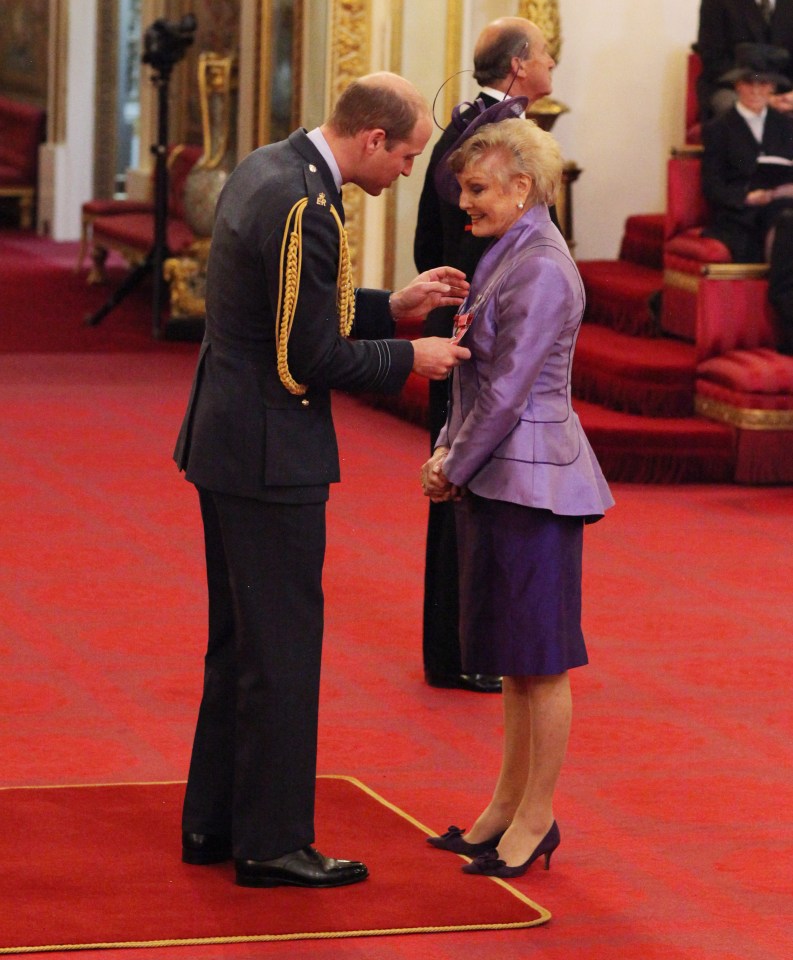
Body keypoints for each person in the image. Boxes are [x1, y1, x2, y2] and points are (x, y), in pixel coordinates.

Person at [173, 72, 471, 890]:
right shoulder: (308, 204)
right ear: (372, 139)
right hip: (270, 452)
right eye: (407, 155)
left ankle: (215, 821)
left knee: (238, 645)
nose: (409, 170)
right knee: (281, 651)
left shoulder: (269, 165)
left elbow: (296, 309)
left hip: (227, 439)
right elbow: (310, 356)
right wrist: (411, 356)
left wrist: (393, 306)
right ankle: (271, 842)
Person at [419, 105, 614, 878]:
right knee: (510, 658)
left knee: (540, 659)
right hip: (498, 473)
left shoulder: (539, 265)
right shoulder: (508, 247)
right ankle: (502, 806)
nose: (463, 203)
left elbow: (505, 393)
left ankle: (537, 817)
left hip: (534, 481)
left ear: (522, 187)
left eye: (475, 189)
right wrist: (447, 449)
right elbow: (474, 367)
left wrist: (448, 464)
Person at [413, 16, 556, 694]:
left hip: (464, 324)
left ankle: (458, 644)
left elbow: (425, 241)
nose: (553, 64)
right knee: (463, 489)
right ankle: (461, 645)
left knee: (460, 489)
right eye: (547, 54)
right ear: (521, 62)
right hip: (479, 338)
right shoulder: (498, 140)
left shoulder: (466, 124)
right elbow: (472, 249)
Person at [701, 43, 793, 353]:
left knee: (786, 218)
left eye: (763, 83)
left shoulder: (785, 125)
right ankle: (785, 311)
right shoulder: (719, 129)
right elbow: (712, 187)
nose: (756, 90)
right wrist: (747, 198)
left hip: (783, 206)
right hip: (742, 215)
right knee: (785, 224)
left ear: (772, 88)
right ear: (738, 85)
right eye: (750, 83)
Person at [696, 0, 793, 119]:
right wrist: (761, 95)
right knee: (739, 114)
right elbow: (714, 60)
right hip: (731, 87)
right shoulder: (716, 3)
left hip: (785, 91)